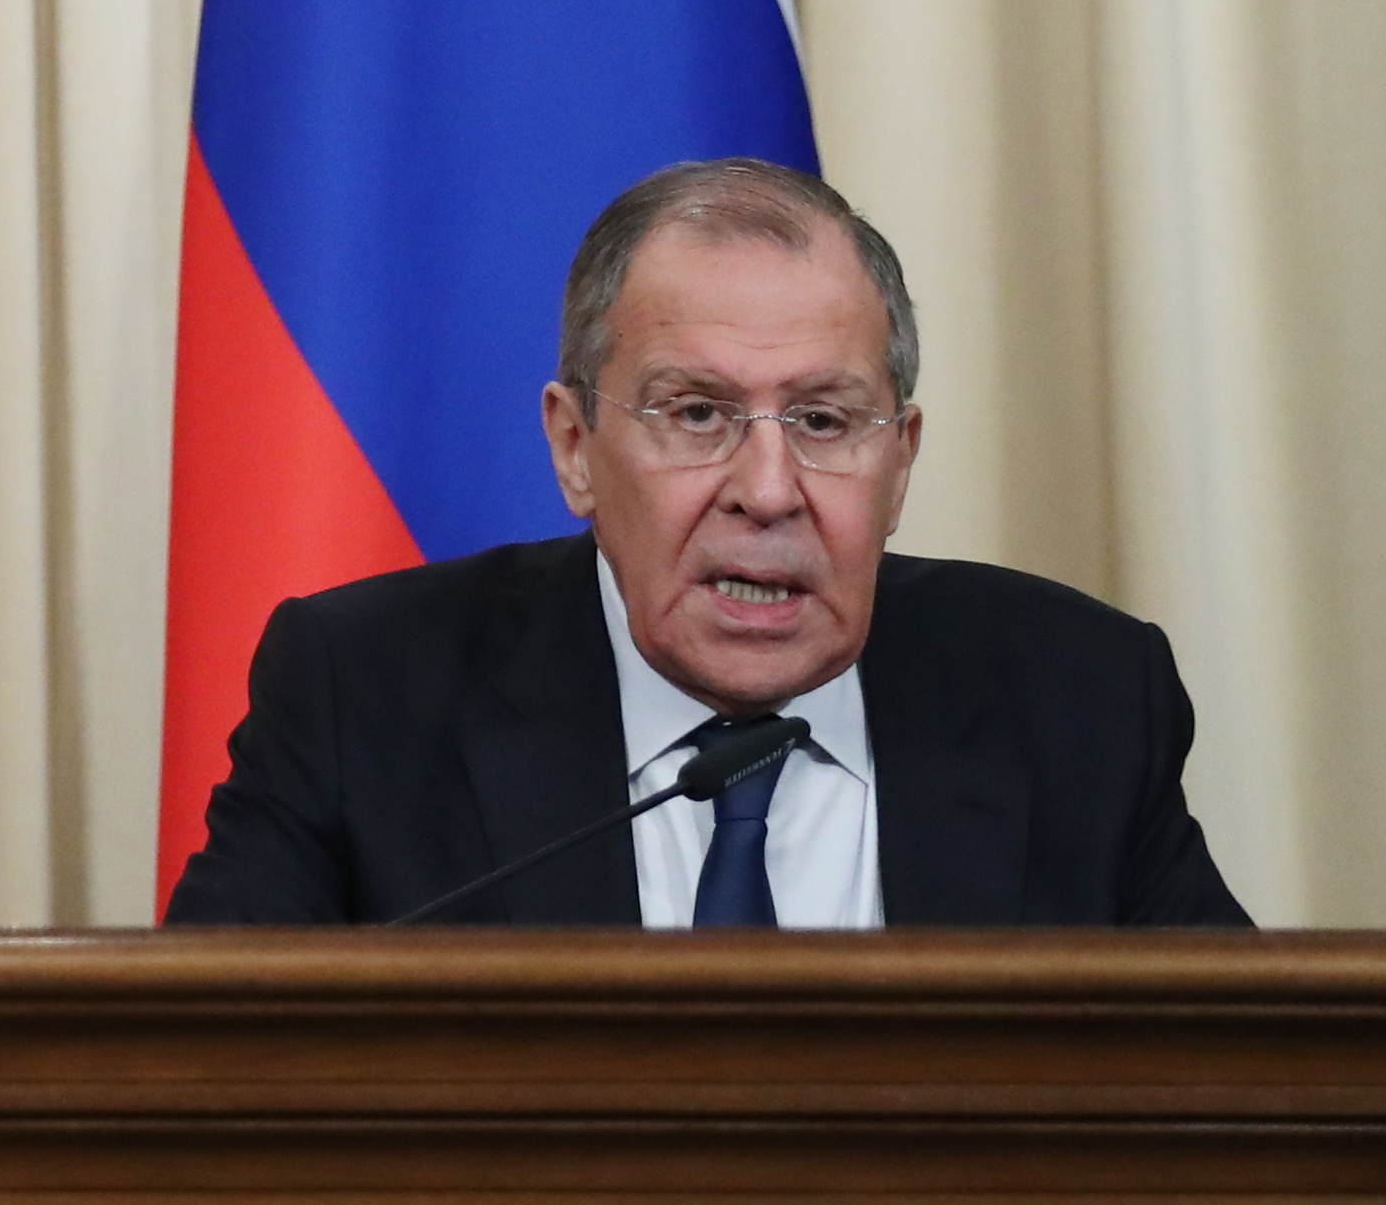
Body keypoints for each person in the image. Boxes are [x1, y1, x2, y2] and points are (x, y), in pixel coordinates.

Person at [167, 158, 1244, 928]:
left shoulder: (1081, 701)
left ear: (899, 459)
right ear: (575, 446)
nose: (767, 492)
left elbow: (1236, 1098)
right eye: (694, 414)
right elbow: (203, 1083)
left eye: (823, 420)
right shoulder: (364, 696)